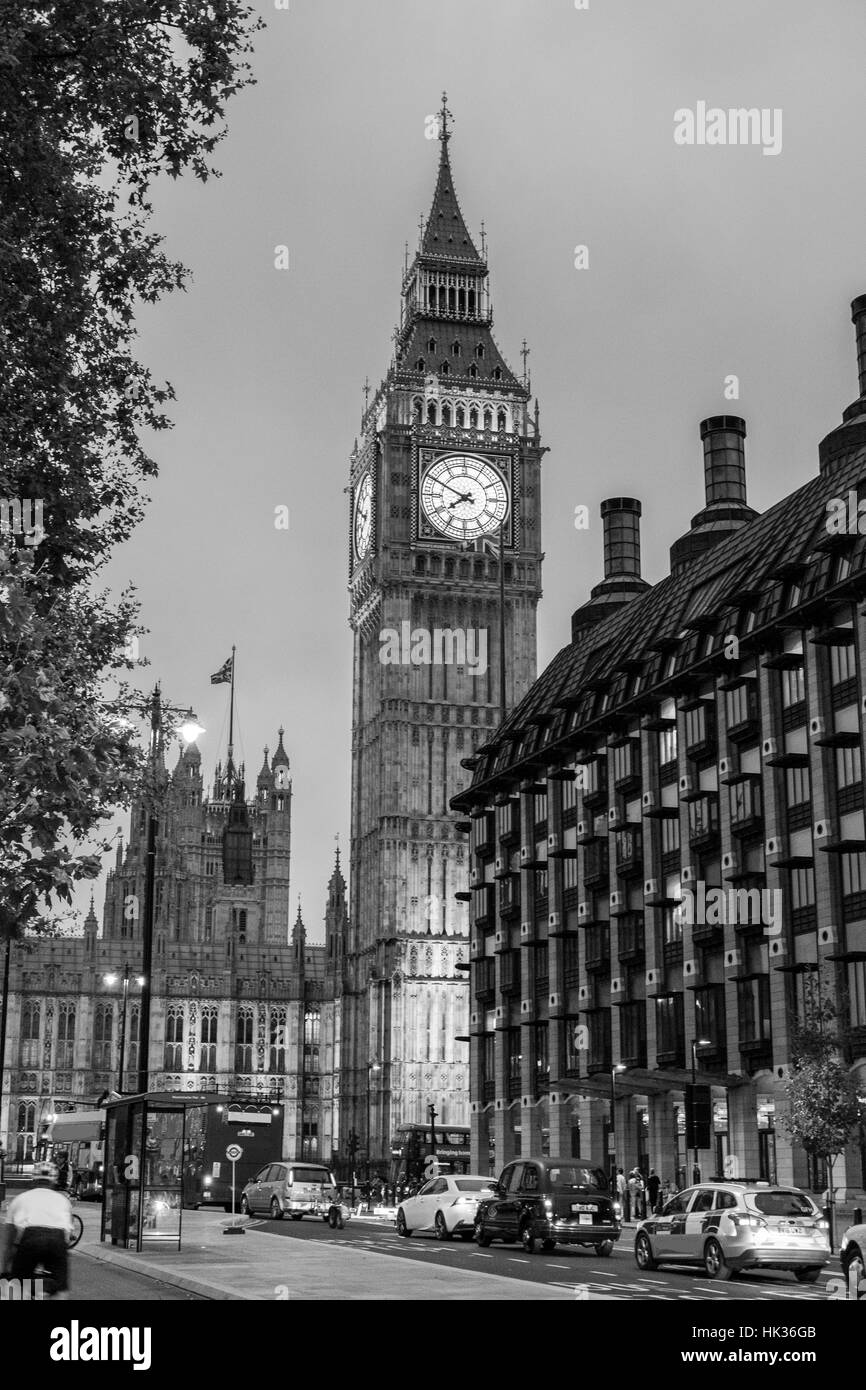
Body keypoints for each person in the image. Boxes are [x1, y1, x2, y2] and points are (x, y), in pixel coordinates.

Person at [6, 1161, 74, 1299]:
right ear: (54, 1182)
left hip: (30, 1239)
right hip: (58, 1239)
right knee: (61, 1288)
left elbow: (8, 1242)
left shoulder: (19, 1199)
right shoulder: (63, 1200)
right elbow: (68, 1236)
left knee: (16, 1285)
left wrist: (5, 1269)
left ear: (33, 1180)